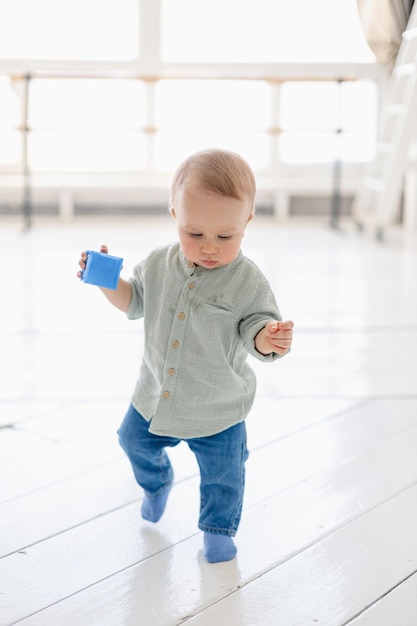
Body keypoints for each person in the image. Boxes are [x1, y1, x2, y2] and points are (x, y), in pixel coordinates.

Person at [77, 148, 294, 563]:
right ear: (175, 213)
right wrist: (107, 280)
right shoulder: (158, 263)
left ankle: (217, 531)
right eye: (195, 234)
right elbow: (133, 301)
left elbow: (255, 329)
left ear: (247, 223)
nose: (209, 248)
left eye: (225, 237)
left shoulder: (248, 282)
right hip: (157, 396)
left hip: (218, 408)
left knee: (224, 477)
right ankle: (156, 481)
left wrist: (269, 339)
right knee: (130, 439)